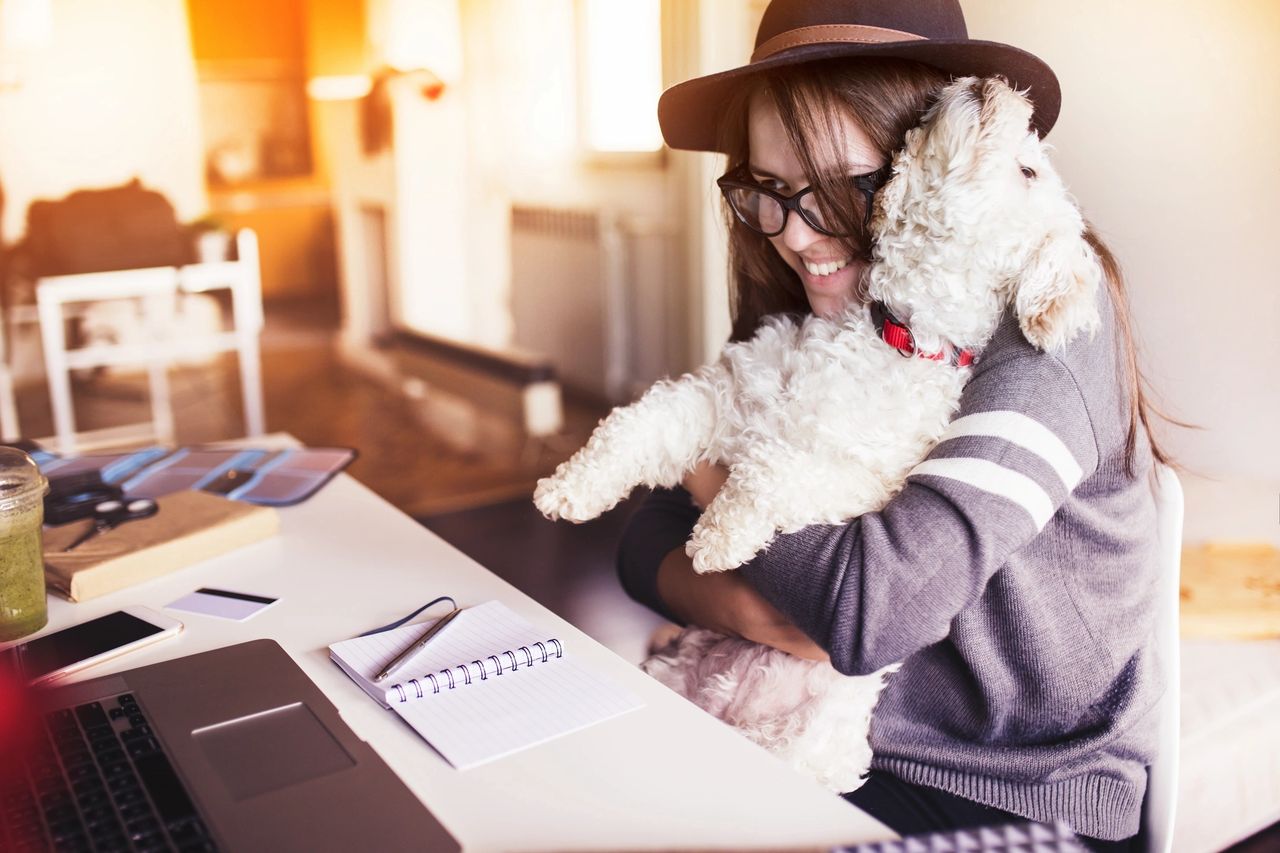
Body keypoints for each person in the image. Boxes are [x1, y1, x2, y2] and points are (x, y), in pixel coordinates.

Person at [616, 1, 1169, 848]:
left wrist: (703, 460)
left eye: (842, 188)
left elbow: (873, 614)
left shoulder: (1049, 317)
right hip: (818, 744)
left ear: (935, 158)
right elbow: (644, 532)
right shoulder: (821, 313)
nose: (797, 236)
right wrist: (739, 605)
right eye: (768, 189)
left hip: (1012, 794)